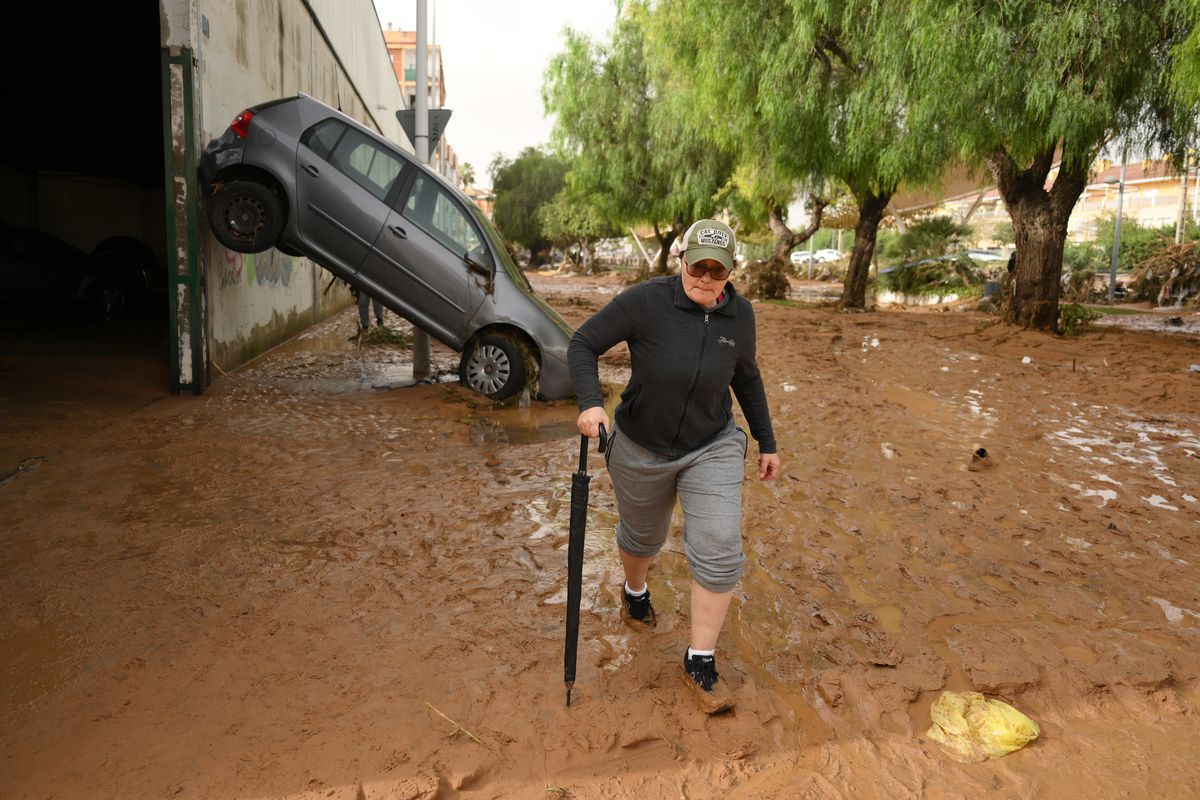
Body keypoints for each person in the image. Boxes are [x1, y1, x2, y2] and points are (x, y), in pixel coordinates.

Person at [568, 218, 780, 713]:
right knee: (643, 539)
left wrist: (767, 442)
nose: (705, 279)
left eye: (717, 271)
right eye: (697, 267)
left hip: (713, 443)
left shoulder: (740, 316)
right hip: (640, 444)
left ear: (730, 272)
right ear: (681, 260)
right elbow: (583, 343)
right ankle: (635, 590)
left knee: (721, 546)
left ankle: (700, 657)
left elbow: (746, 378)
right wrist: (590, 402)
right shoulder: (647, 301)